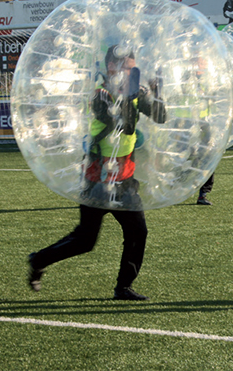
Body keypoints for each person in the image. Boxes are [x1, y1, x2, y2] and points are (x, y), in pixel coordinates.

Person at [27, 45, 166, 300]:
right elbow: (119, 124)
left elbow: (161, 117)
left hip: (124, 179)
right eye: (128, 68)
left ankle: (123, 287)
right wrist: (133, 94)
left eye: (134, 68)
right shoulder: (99, 94)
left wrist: (156, 93)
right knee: (85, 240)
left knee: (138, 232)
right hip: (98, 179)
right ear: (112, 67)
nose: (133, 72)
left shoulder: (134, 93)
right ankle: (38, 260)